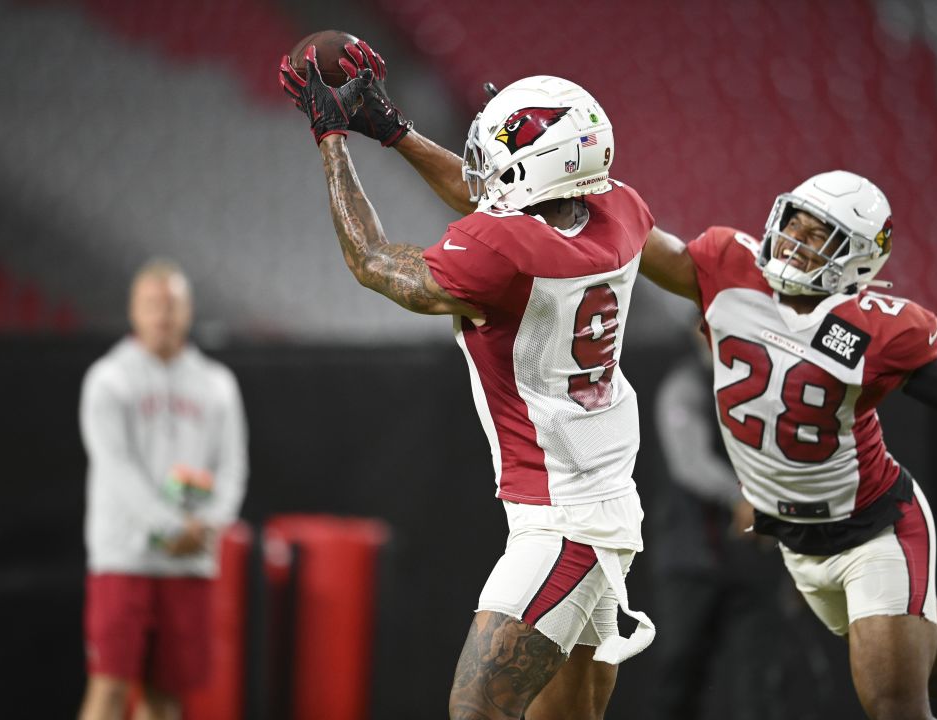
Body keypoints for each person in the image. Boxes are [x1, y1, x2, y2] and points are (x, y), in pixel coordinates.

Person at [279, 44, 655, 720]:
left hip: (563, 519)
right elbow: (498, 200)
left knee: (476, 710)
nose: (486, 158)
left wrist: (330, 136)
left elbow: (371, 261)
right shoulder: (622, 212)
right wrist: (394, 130)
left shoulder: (507, 254)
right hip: (600, 500)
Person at [634, 170, 937, 719]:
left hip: (875, 531)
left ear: (855, 256)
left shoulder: (871, 327)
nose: (793, 244)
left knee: (893, 706)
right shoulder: (729, 270)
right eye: (793, 227)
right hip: (799, 542)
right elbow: (635, 241)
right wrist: (560, 183)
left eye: (816, 236)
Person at [77, 259, 249, 720]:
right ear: (134, 310)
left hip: (188, 563)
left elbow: (233, 468)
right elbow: (117, 470)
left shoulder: (217, 385)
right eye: (152, 304)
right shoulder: (108, 380)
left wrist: (210, 524)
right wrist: (173, 525)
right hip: (123, 558)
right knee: (109, 690)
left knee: (166, 698)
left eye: (172, 304)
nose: (163, 315)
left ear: (189, 311)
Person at [649, 329, 827, 720]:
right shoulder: (686, 385)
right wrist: (741, 497)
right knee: (681, 674)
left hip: (754, 561)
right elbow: (689, 462)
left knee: (759, 681)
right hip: (692, 560)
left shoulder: (770, 389)